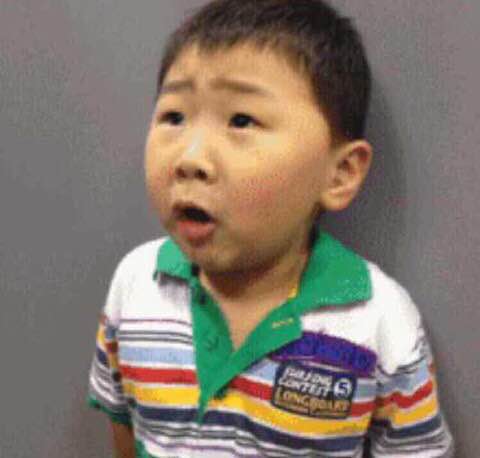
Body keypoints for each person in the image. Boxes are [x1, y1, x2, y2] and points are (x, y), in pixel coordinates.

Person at [87, 0, 454, 456]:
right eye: (174, 117)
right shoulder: (136, 285)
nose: (190, 158)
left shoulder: (379, 322)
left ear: (339, 174)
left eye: (241, 120)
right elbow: (125, 428)